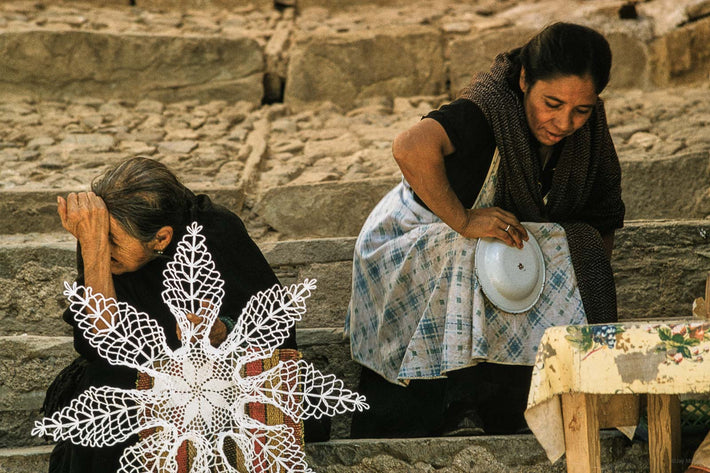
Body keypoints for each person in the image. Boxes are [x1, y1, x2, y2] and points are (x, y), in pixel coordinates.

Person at [345, 22, 625, 438]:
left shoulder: (589, 138)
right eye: (551, 103)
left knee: (562, 244)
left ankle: (548, 399)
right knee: (476, 244)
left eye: (581, 110)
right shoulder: (487, 109)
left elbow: (601, 222)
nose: (565, 121)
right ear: (525, 81)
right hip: (410, 239)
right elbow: (409, 147)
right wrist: (463, 219)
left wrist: (582, 289)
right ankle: (460, 402)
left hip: (497, 256)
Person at [42, 157, 298, 473]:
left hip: (217, 388)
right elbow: (97, 343)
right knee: (105, 384)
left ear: (161, 238)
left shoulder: (215, 233)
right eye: (99, 241)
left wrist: (224, 329)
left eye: (112, 243)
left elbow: (276, 325)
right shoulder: (99, 238)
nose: (103, 252)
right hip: (137, 380)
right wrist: (92, 245)